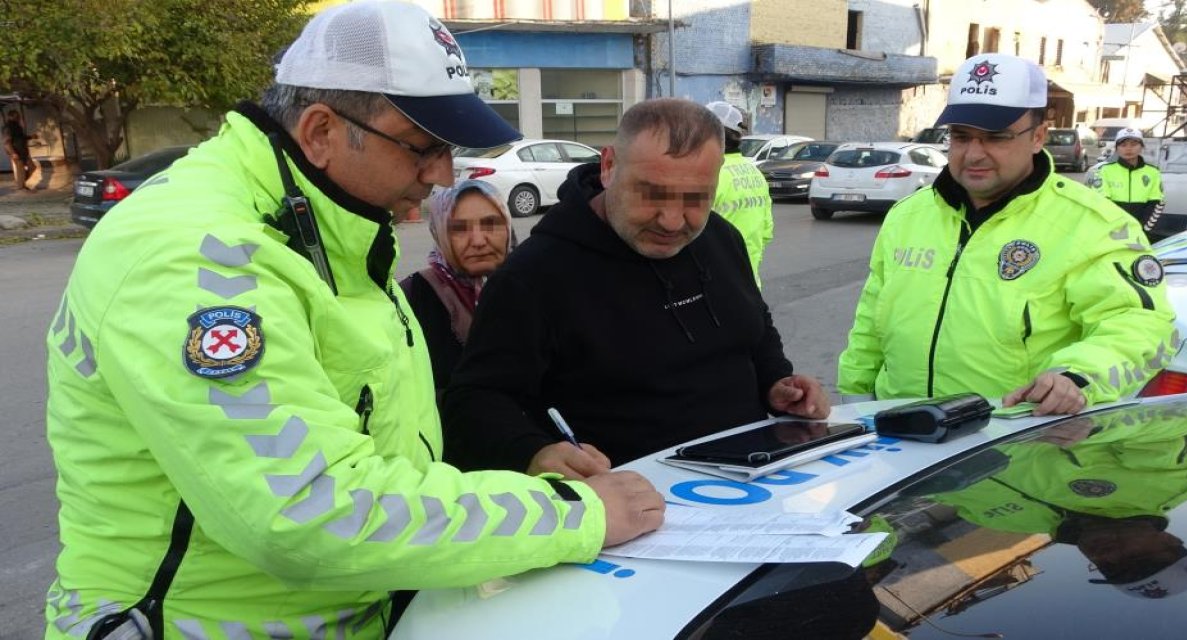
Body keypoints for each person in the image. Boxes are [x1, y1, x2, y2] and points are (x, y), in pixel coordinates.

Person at [44, 3, 663, 638]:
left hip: (343, 608)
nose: (442, 175)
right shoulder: (196, 261)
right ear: (319, 132)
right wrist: (571, 514)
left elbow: (380, 439)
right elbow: (305, 510)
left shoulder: (327, 225)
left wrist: (523, 459)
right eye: (423, 149)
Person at [441, 98, 830, 479]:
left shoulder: (721, 237)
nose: (674, 221)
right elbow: (475, 401)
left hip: (755, 483)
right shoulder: (533, 274)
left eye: (696, 198)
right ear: (609, 166)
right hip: (634, 513)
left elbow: (755, 329)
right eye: (652, 194)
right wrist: (531, 451)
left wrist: (777, 383)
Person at [837, 54, 1177, 417]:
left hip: (1012, 443)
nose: (974, 154)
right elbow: (873, 317)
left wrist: (1078, 376)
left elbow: (1143, 325)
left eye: (996, 138)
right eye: (961, 136)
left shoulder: (1093, 224)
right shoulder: (908, 215)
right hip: (898, 429)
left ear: (1038, 137)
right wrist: (855, 396)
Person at [922, 407, 1187, 599]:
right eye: (1135, 559)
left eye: (1109, 569)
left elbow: (920, 491)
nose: (1109, 557)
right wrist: (1093, 425)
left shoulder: (1007, 523)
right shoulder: (1176, 480)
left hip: (911, 422)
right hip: (991, 392)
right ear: (1169, 541)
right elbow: (1175, 422)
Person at [400, 179, 516, 390]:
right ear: (440, 234)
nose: (479, 240)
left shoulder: (528, 287)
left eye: (491, 224)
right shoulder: (414, 298)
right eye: (459, 229)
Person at [706, 100, 773, 286]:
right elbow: (767, 231)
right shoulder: (755, 173)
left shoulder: (709, 174)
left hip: (713, 284)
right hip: (749, 284)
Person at [1092, 127, 1164, 234]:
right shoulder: (1103, 170)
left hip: (1142, 232)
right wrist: (1116, 229)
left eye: (1133, 144)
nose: (1128, 149)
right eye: (1123, 145)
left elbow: (1157, 203)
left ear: (1142, 147)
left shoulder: (1153, 172)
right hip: (1111, 231)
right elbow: (1101, 202)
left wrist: (1142, 230)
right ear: (1116, 148)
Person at [4, 110, 37, 191]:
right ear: (10, 116)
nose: (18, 118)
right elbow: (7, 142)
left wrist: (31, 137)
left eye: (18, 116)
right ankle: (21, 187)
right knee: (20, 170)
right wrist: (13, 153)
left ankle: (22, 183)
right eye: (16, 116)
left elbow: (21, 137)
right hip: (16, 152)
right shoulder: (8, 127)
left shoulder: (17, 126)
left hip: (23, 151)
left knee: (32, 167)